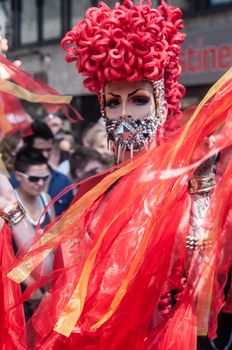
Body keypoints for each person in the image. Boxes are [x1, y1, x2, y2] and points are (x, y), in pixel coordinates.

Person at [2, 1, 232, 349]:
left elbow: (202, 292)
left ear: (162, 103)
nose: (125, 115)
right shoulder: (94, 196)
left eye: (138, 99)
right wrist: (9, 203)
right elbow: (54, 278)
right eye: (113, 102)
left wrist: (201, 193)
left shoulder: (183, 184)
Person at [13, 146, 55, 320]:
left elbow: (53, 243)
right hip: (19, 287)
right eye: (34, 178)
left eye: (44, 178)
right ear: (18, 176)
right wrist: (31, 287)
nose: (40, 183)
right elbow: (5, 257)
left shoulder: (46, 199)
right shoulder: (9, 206)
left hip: (46, 286)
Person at [9, 120, 74, 217]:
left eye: (48, 150)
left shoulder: (64, 182)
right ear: (26, 147)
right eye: (39, 150)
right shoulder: (11, 184)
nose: (45, 155)